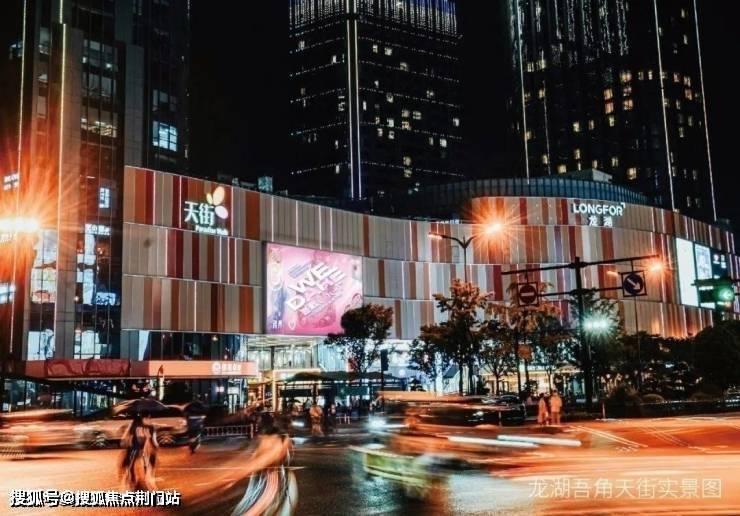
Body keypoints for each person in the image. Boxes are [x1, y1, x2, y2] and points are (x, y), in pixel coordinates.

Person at [119, 413, 159, 490]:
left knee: (135, 468)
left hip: (137, 450)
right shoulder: (149, 427)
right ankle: (140, 483)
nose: (149, 420)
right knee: (139, 468)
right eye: (147, 418)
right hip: (139, 450)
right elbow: (152, 441)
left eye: (149, 418)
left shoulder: (136, 425)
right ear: (144, 418)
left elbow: (128, 438)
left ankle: (137, 483)